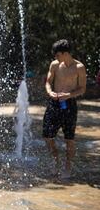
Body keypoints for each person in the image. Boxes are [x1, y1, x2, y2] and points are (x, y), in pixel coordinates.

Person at [43, 39, 86, 179]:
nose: (55, 57)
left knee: (69, 138)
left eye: (57, 55)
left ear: (65, 53)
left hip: (70, 104)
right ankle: (55, 159)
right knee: (47, 135)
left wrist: (69, 95)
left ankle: (68, 166)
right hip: (54, 102)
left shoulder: (79, 67)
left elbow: (82, 89)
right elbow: (48, 82)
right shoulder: (55, 65)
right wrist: (50, 93)